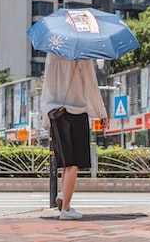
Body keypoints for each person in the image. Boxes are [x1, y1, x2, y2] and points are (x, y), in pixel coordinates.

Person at [41, 53, 108, 220]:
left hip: (55, 113)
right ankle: (66, 209)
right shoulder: (83, 54)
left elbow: (47, 85)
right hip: (76, 112)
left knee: (65, 162)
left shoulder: (52, 53)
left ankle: (64, 195)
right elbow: (91, 84)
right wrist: (101, 112)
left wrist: (45, 114)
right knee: (73, 163)